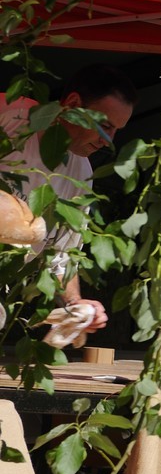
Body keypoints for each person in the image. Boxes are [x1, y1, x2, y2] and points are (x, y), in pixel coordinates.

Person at [0, 64, 138, 339]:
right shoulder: (9, 116)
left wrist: (75, 306)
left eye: (116, 131)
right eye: (105, 126)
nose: (108, 141)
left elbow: (60, 256)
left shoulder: (80, 175)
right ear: (73, 104)